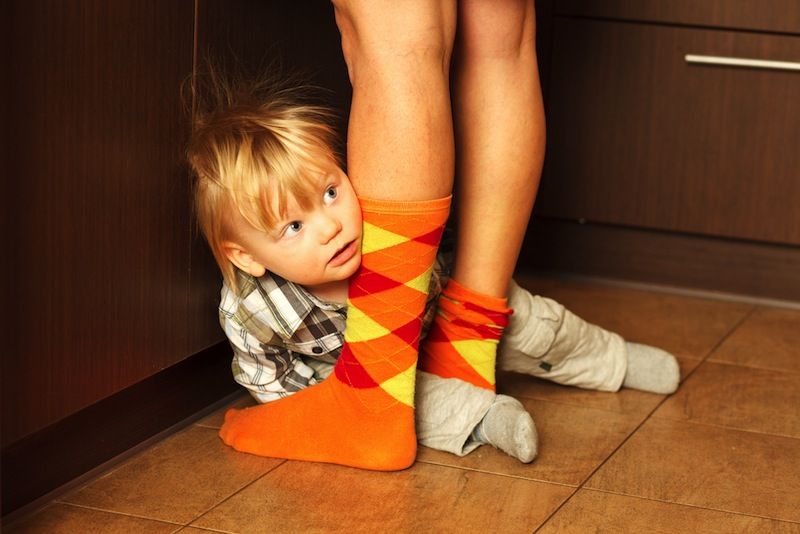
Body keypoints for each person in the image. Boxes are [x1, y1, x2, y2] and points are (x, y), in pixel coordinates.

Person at [187, 70, 679, 471]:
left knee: (527, 318)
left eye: (332, 193)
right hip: (375, 370)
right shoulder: (253, 309)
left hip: (443, 310)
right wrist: (304, 412)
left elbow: (455, 256)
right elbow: (274, 384)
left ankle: (610, 360)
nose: (329, 228)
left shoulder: (387, 224)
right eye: (293, 226)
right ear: (247, 256)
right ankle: (487, 421)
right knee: (396, 404)